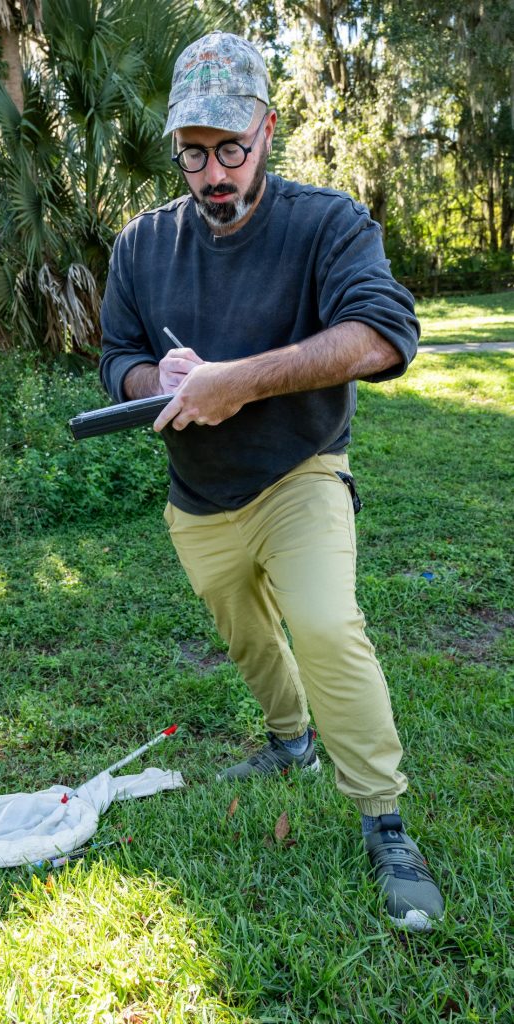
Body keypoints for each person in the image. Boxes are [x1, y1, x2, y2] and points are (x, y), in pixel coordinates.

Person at [99, 30, 444, 932]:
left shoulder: (327, 223)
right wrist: (157, 384)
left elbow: (382, 335)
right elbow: (116, 361)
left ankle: (383, 818)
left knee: (326, 625)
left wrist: (237, 378)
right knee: (246, 635)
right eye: (193, 153)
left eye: (231, 150)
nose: (213, 175)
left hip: (300, 471)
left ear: (268, 129)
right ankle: (288, 740)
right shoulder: (141, 245)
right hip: (197, 496)